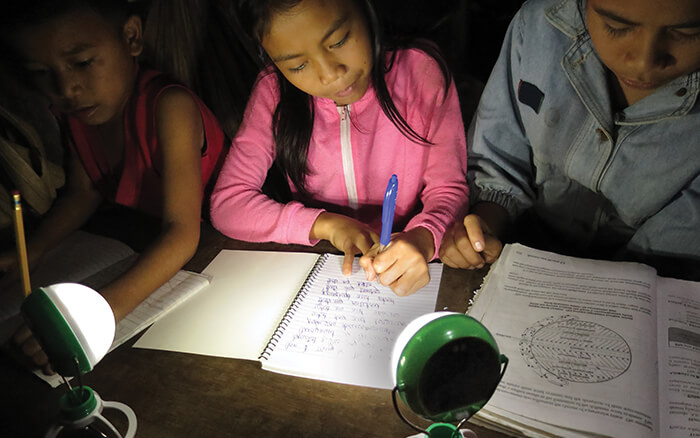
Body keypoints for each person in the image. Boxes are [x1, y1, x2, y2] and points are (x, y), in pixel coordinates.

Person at [0, 0, 227, 373]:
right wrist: (34, 250)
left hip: (217, 254)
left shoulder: (169, 106)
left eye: (83, 62)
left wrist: (97, 313)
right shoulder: (79, 115)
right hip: (140, 242)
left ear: (131, 37)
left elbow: (183, 232)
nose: (67, 88)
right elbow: (83, 191)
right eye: (42, 72)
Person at [210, 0, 469, 296]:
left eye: (339, 41)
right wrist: (326, 226)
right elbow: (228, 204)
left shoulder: (420, 72)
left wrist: (422, 239)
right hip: (322, 273)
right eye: (298, 65)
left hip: (412, 268)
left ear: (366, 9)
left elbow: (449, 190)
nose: (330, 74)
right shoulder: (273, 92)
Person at [439, 0, 700, 280]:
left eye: (687, 33)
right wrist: (484, 225)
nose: (643, 62)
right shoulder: (540, 28)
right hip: (518, 244)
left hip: (644, 280)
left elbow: (671, 253)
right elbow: (498, 158)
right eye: (616, 27)